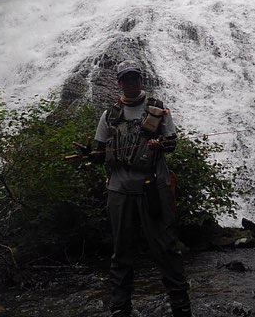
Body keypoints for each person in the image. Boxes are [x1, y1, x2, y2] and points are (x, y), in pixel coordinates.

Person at [87, 60, 192, 317]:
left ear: (141, 80)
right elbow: (99, 151)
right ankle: (120, 309)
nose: (131, 82)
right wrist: (92, 156)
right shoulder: (109, 115)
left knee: (166, 248)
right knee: (121, 251)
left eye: (134, 78)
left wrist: (161, 144)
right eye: (126, 79)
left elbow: (172, 144)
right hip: (119, 190)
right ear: (119, 83)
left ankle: (181, 308)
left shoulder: (159, 110)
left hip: (153, 188)